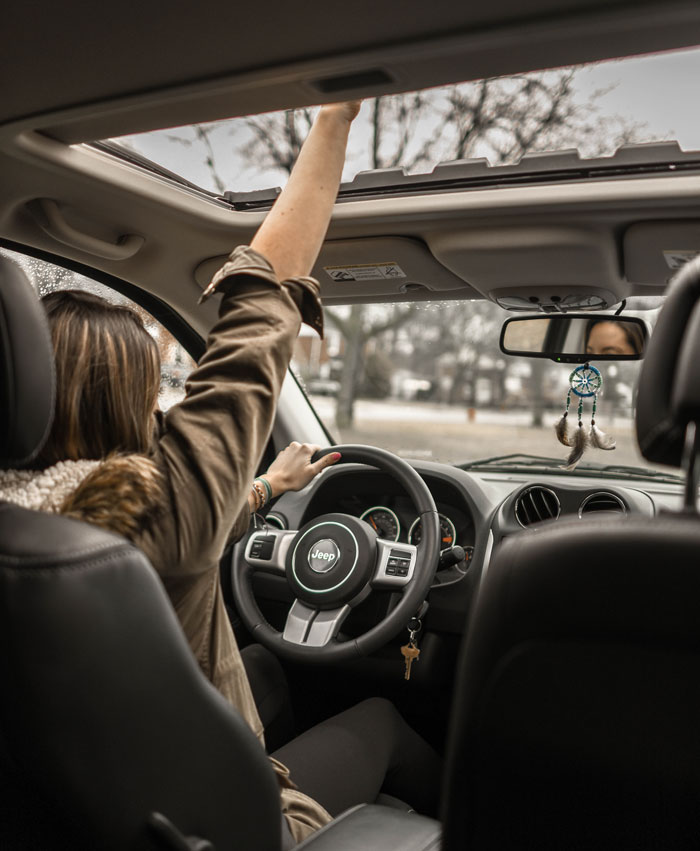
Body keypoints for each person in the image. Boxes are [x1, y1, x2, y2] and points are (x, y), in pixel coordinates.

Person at [0, 101, 441, 843]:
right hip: (247, 827)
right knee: (383, 718)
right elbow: (262, 303)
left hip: (90, 810)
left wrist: (268, 488)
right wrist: (335, 119)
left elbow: (206, 522)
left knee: (267, 668)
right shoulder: (157, 512)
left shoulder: (33, 539)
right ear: (131, 409)